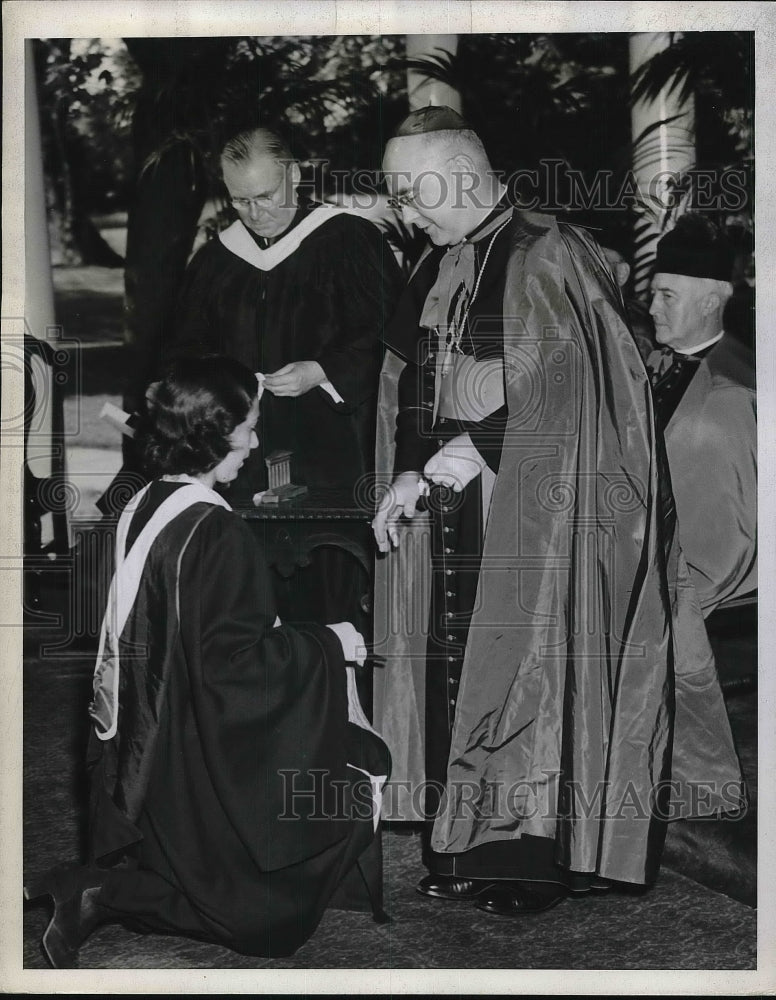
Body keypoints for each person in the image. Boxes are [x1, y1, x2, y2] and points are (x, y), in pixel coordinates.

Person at [372, 106, 743, 917]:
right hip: (460, 508)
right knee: (463, 669)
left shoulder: (551, 253)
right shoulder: (441, 262)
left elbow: (574, 395)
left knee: (534, 672)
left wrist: (463, 450)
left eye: (411, 193)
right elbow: (414, 379)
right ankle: (467, 838)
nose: (406, 211)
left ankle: (533, 859)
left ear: (460, 175)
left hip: (545, 510)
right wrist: (407, 471)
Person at [24, 356, 390, 967]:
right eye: (248, 426)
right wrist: (330, 644)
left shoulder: (144, 504)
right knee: (277, 918)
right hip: (200, 749)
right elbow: (234, 670)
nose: (254, 440)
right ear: (215, 436)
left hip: (152, 747)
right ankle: (102, 892)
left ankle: (97, 887)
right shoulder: (217, 532)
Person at [170, 126, 402, 503]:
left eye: (265, 196)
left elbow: (392, 339)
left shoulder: (349, 241)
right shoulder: (215, 261)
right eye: (240, 201)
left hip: (332, 449)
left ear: (293, 176)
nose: (255, 214)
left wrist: (323, 370)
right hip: (240, 458)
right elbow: (186, 352)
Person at [647, 215, 756, 617]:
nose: (653, 307)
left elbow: (723, 555)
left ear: (710, 303)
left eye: (668, 296)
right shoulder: (662, 360)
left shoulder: (724, 398)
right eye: (654, 293)